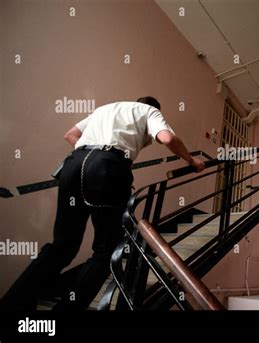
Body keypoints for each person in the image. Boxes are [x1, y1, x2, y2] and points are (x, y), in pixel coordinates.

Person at [1, 96, 205, 311]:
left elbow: (70, 135)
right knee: (106, 250)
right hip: (108, 166)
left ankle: (11, 306)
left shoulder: (106, 108)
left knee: (62, 246)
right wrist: (192, 160)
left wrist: (95, 159)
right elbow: (167, 139)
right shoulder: (149, 111)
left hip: (74, 164)